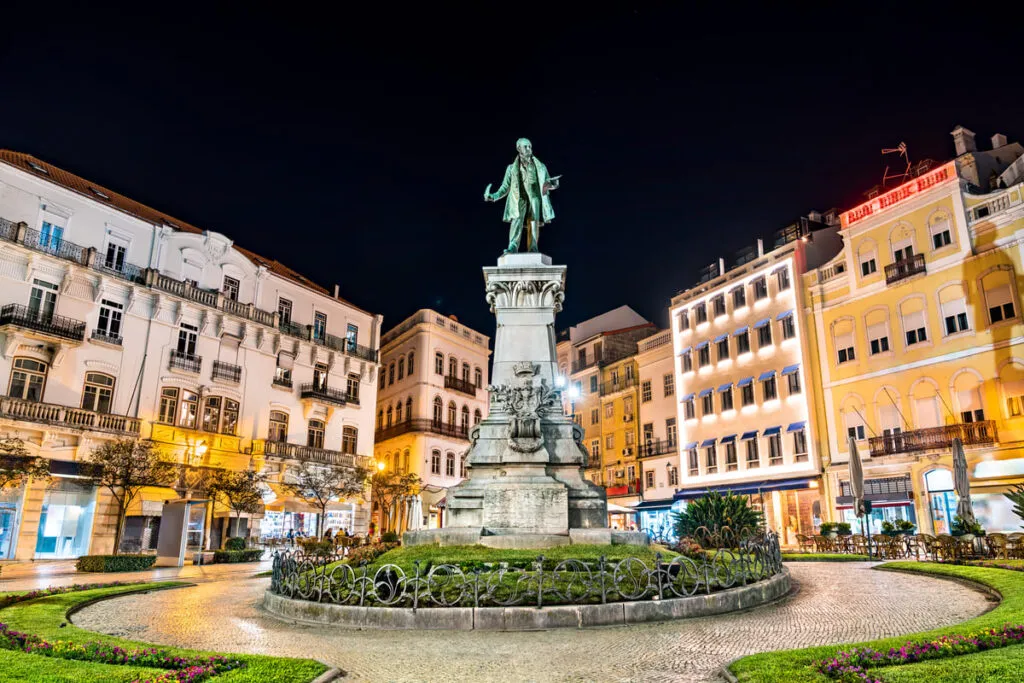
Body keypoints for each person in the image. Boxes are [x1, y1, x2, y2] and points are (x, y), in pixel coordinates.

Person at [484, 138, 560, 254]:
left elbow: (547, 183)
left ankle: (533, 248)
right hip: (519, 197)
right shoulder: (511, 168)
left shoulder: (540, 166)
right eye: (526, 147)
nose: (529, 149)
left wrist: (554, 185)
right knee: (516, 221)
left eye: (530, 146)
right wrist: (493, 196)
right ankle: (512, 247)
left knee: (533, 223)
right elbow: (505, 187)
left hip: (535, 197)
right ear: (519, 148)